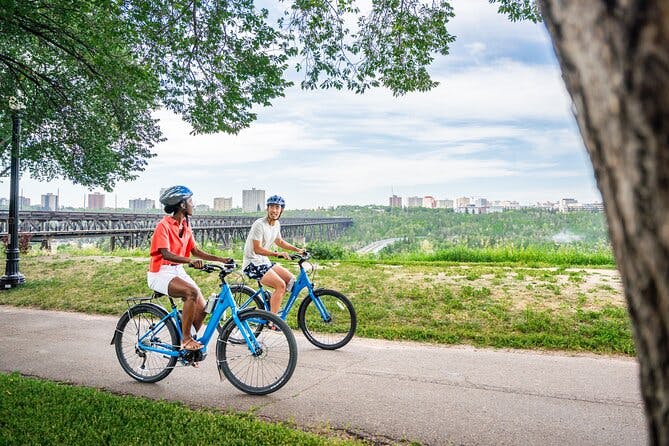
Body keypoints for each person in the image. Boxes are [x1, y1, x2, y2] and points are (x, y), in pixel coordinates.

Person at [147, 185, 232, 351]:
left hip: (177, 270)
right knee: (191, 292)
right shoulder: (163, 226)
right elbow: (165, 254)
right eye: (191, 201)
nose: (193, 204)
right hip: (160, 272)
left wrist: (222, 260)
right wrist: (190, 261)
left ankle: (188, 345)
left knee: (203, 308)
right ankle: (185, 339)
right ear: (182, 205)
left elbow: (196, 251)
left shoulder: (185, 226)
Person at [242, 195, 305, 324]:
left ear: (282, 210)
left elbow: (280, 241)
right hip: (252, 263)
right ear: (267, 208)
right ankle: (273, 321)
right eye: (271, 207)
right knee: (280, 285)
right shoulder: (259, 224)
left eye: (277, 207)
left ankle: (272, 304)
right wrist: (277, 254)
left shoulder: (276, 224)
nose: (274, 210)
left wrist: (297, 250)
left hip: (263, 261)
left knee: (291, 281)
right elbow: (257, 249)